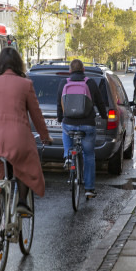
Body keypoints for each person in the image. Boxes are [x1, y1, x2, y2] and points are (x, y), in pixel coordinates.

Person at [0, 47, 52, 215]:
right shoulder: (25, 84)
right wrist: (45, 136)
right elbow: (36, 115)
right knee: (25, 163)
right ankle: (23, 202)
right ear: (19, 64)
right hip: (17, 139)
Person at [57, 59, 107, 198]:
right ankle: (89, 189)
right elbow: (100, 102)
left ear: (70, 70)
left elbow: (59, 102)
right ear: (83, 70)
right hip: (87, 124)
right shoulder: (90, 83)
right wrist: (104, 116)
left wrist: (61, 118)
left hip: (69, 123)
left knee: (65, 129)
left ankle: (68, 155)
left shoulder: (64, 83)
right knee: (89, 155)